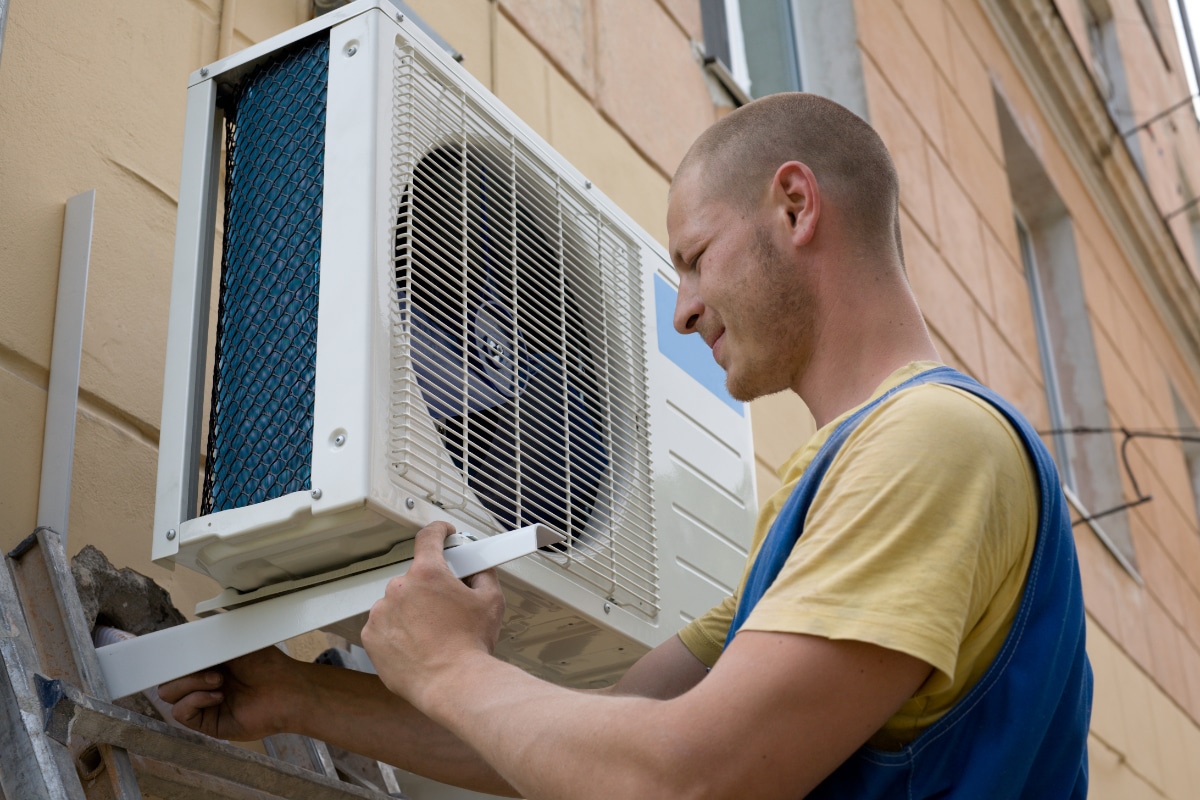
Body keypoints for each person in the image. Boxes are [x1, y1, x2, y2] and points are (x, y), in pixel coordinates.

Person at [160, 92, 1091, 798]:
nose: (682, 310)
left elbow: (688, 777)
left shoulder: (932, 443)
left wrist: (450, 667)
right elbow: (612, 740)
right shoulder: (832, 489)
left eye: (694, 257)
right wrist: (295, 697)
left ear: (795, 207)